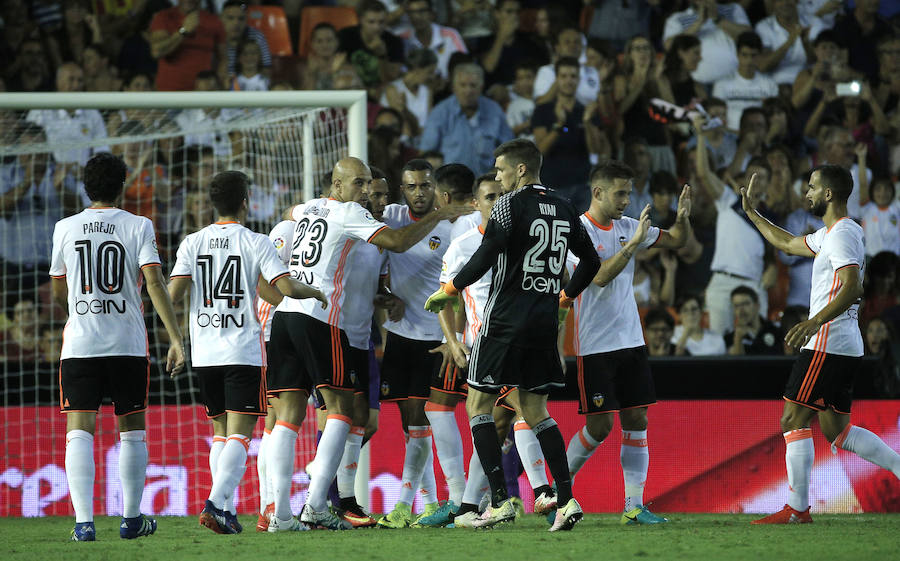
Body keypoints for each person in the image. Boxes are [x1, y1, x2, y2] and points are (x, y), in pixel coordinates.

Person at [264, 157, 468, 531]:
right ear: (337, 186)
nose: (364, 192)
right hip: (321, 321)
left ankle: (279, 514)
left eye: (368, 185)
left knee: (289, 418)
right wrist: (439, 216)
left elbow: (291, 210)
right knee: (343, 411)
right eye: (358, 184)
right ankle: (315, 506)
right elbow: (399, 241)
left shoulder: (310, 208)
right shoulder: (348, 214)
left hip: (287, 317)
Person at [425, 139, 601, 531]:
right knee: (536, 410)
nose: (499, 177)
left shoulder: (509, 203)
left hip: (504, 320)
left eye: (502, 170)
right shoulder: (565, 206)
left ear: (521, 170)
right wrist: (565, 299)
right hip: (542, 321)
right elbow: (591, 261)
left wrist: (450, 288)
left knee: (478, 407)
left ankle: (501, 502)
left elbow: (488, 252)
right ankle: (567, 500)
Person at [167, 171, 325, 534]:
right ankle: (214, 504)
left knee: (220, 434)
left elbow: (173, 294)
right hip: (241, 350)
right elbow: (283, 288)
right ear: (245, 201)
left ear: (212, 203)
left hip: (204, 352)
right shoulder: (255, 241)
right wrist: (314, 292)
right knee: (240, 435)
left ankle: (226, 508)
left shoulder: (192, 242)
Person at [741, 165, 900, 524]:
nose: (806, 193)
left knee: (792, 417)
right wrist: (752, 213)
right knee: (837, 430)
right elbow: (785, 242)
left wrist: (813, 322)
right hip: (845, 343)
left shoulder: (842, 235)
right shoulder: (835, 234)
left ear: (828, 194)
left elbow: (853, 287)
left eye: (812, 187)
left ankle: (797, 509)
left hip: (828, 342)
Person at [49, 152, 186, 541]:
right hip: (127, 342)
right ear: (123, 184)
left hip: (81, 342)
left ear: (85, 186)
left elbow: (59, 287)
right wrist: (175, 338)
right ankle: (130, 519)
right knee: (131, 428)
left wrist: (77, 313)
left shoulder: (64, 227)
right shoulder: (139, 225)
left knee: (80, 427)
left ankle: (84, 524)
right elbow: (156, 284)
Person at [563, 160, 692, 526]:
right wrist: (633, 244)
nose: (626, 200)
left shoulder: (628, 226)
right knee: (600, 427)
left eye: (629, 193)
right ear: (598, 192)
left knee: (637, 419)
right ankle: (560, 490)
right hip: (594, 345)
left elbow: (678, 241)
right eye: (620, 193)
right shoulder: (577, 232)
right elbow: (599, 276)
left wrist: (682, 217)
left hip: (631, 341)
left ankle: (633, 506)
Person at [377, 159, 459, 528]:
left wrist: (451, 337)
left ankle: (404, 504)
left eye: (425, 185)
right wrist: (383, 294)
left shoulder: (453, 225)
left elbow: (461, 286)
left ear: (435, 187)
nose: (419, 192)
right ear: (402, 191)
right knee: (412, 425)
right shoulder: (391, 216)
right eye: (412, 187)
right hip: (400, 335)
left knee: (422, 423)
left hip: (435, 339)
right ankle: (429, 503)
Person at [693, 114, 772, 334]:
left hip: (753, 285)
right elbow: (703, 173)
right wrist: (700, 136)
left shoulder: (773, 219)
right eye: (751, 176)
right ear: (745, 180)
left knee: (758, 347)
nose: (755, 181)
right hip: (721, 283)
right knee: (719, 350)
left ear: (769, 184)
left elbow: (773, 258)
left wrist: (772, 270)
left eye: (762, 177)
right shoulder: (728, 200)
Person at [532, 57, 602, 212]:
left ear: (579, 79)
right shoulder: (542, 110)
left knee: (583, 235)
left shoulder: (587, 111)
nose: (568, 81)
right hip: (551, 186)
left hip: (582, 185)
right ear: (556, 79)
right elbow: (540, 151)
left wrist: (588, 122)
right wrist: (559, 125)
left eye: (573, 76)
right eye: (563, 76)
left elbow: (595, 149)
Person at [419, 63, 513, 174]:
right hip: (450, 186)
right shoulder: (440, 113)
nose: (468, 91)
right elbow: (426, 154)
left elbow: (509, 151)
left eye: (473, 85)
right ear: (454, 87)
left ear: (481, 87)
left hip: (487, 184)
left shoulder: (494, 111)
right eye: (462, 85)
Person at [25, 63, 109, 166]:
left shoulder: (92, 113)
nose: (76, 85)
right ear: (58, 82)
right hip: (48, 176)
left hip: (83, 177)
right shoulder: (40, 110)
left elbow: (102, 150)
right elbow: (29, 147)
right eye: (71, 79)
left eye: (80, 80)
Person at [662, 0, 752, 85]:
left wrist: (718, 19)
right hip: (699, 85)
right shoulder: (677, 18)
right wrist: (698, 23)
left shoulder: (733, 9)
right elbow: (669, 46)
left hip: (737, 81)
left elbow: (750, 39)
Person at [149, 0, 226, 91]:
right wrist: (184, 31)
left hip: (202, 93)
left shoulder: (214, 21)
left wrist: (219, 85)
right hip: (169, 93)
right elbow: (156, 52)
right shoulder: (163, 17)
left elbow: (223, 59)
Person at [712, 31, 778, 131]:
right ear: (737, 55)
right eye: (744, 55)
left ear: (760, 56)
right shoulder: (721, 84)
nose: (749, 61)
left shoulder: (770, 85)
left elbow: (773, 119)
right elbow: (716, 118)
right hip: (729, 136)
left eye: (753, 55)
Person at [338, 0, 405, 87]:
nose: (377, 27)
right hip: (354, 87)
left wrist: (382, 56)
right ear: (361, 20)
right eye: (371, 22)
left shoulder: (395, 41)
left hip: (382, 90)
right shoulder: (346, 35)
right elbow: (338, 67)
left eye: (381, 22)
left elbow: (391, 78)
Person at [396, 0, 467, 80]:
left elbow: (464, 65)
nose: (416, 17)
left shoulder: (451, 34)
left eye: (422, 11)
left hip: (448, 86)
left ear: (431, 14)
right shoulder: (403, 39)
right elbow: (402, 74)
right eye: (412, 12)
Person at [724, 285, 783, 355]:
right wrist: (738, 339)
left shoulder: (776, 332)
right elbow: (736, 364)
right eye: (736, 306)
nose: (741, 310)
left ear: (757, 305)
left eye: (745, 304)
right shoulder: (730, 338)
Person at [221, 0, 271, 81]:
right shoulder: (213, 36)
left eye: (241, 19)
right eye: (230, 18)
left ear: (246, 19)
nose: (236, 23)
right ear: (221, 18)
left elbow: (266, 67)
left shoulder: (257, 36)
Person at [858, 177, 900, 259]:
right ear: (872, 192)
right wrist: (861, 163)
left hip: (894, 260)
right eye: (878, 189)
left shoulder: (897, 208)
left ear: (893, 192)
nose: (883, 193)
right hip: (870, 259)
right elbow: (863, 184)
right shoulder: (866, 208)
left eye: (887, 189)